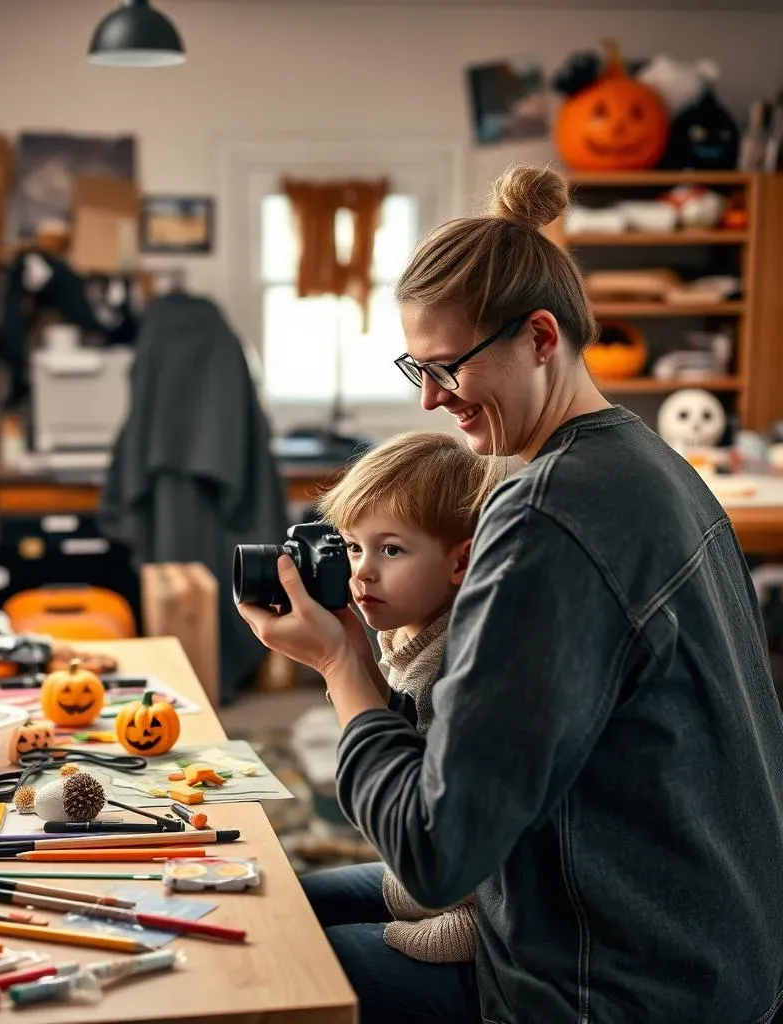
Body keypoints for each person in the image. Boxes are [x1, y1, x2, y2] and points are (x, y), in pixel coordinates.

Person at [237, 164, 783, 1024]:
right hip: (717, 946)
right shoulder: (650, 464)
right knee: (274, 904)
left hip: (618, 982)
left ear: (539, 337)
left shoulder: (547, 514)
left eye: (447, 368)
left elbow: (433, 854)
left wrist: (342, 665)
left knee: (266, 972)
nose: (429, 398)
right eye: (416, 367)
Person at [317, 431, 490, 967]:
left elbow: (454, 854)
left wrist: (335, 663)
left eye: (390, 549)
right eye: (353, 546)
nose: (362, 571)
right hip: (421, 884)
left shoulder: (460, 664)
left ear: (459, 564)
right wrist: (355, 662)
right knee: (290, 906)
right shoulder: (411, 632)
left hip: (476, 920)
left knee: (301, 954)